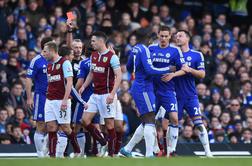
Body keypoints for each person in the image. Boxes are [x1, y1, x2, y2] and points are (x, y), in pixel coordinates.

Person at [120, 30, 174, 157]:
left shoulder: (135, 49)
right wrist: (168, 69)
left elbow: (128, 67)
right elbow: (150, 70)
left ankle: (127, 149)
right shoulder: (144, 50)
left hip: (139, 86)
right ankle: (149, 154)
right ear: (149, 39)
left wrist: (138, 72)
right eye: (154, 40)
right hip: (144, 88)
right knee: (150, 119)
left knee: (146, 120)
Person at [79, 31, 122, 157]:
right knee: (84, 120)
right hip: (95, 94)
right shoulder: (93, 56)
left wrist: (112, 94)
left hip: (107, 94)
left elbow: (118, 76)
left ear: (101, 41)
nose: (91, 43)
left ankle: (112, 154)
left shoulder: (112, 57)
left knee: (109, 125)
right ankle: (102, 141)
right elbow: (92, 73)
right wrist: (84, 86)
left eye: (93, 41)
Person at [174, 30, 212, 157]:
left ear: (187, 38)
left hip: (190, 96)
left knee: (199, 124)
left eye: (180, 36)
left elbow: (202, 74)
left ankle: (208, 152)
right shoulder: (173, 54)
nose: (177, 38)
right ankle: (171, 151)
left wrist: (189, 69)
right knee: (173, 124)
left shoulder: (197, 55)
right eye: (176, 36)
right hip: (175, 95)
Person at [149, 26, 186, 156]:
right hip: (152, 90)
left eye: (166, 36)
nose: (163, 38)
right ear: (158, 35)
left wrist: (173, 75)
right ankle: (154, 149)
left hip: (168, 91)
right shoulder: (151, 49)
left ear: (170, 36)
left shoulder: (175, 51)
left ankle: (172, 150)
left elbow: (184, 69)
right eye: (161, 36)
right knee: (148, 120)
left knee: (174, 119)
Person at [43, 41, 80, 158]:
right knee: (51, 127)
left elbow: (69, 82)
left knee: (65, 128)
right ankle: (52, 155)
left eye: (45, 51)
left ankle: (77, 150)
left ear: (52, 51)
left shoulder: (65, 63)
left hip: (61, 100)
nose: (43, 54)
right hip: (50, 100)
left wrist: (65, 100)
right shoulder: (49, 65)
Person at [25, 37, 53, 157]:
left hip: (54, 97)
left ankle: (46, 151)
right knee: (41, 124)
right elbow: (28, 78)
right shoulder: (36, 60)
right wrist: (29, 97)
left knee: (52, 125)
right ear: (44, 46)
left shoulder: (55, 60)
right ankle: (39, 153)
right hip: (41, 96)